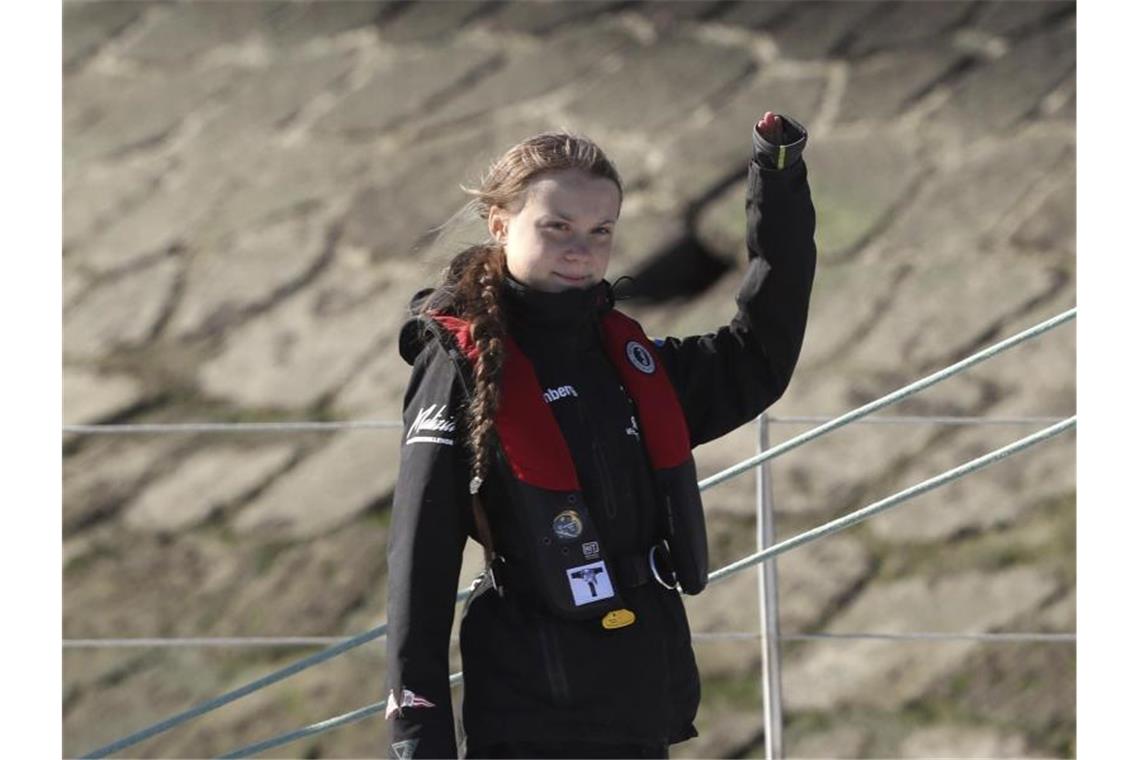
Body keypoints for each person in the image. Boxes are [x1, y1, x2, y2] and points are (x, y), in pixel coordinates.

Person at [385, 111, 816, 760]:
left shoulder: (629, 362)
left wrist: (777, 184)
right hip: (529, 722)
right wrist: (419, 744)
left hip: (641, 707)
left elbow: (758, 357)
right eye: (556, 227)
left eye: (600, 230)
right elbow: (419, 570)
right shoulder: (458, 368)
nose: (580, 249)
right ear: (500, 225)